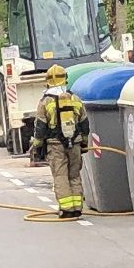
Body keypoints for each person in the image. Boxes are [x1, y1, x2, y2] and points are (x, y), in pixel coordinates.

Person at [29, 65, 90, 219]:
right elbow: (84, 123)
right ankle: (77, 207)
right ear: (65, 79)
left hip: (55, 145)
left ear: (48, 81)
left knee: (60, 175)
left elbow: (40, 127)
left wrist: (36, 146)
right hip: (74, 143)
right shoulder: (75, 99)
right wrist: (83, 142)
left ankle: (66, 209)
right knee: (74, 175)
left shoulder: (45, 102)